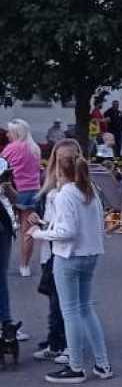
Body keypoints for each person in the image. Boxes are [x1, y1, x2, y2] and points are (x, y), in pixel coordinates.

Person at [28, 153, 112, 383]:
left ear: (59, 172)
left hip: (68, 256)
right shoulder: (90, 190)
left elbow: (67, 232)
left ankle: (76, 366)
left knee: (71, 312)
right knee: (85, 308)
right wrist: (46, 225)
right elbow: (80, 225)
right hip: (90, 253)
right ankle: (102, 364)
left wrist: (38, 233)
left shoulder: (64, 194)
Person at [31, 139, 82, 363]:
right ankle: (57, 339)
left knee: (62, 301)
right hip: (54, 248)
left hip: (61, 250)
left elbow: (64, 228)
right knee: (59, 299)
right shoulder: (54, 188)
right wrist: (40, 222)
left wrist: (38, 231)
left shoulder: (65, 192)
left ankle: (62, 343)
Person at [3, 119, 42, 279]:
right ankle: (25, 266)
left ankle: (3, 262)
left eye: (9, 131)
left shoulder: (11, 148)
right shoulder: (35, 148)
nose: (7, 134)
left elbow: (2, 167)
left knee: (5, 226)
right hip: (32, 190)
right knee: (28, 230)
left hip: (13, 189)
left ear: (16, 132)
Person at [0, 158, 23, 347]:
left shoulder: (2, 163)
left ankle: (6, 324)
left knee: (1, 277)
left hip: (3, 225)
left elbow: (16, 199)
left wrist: (6, 186)